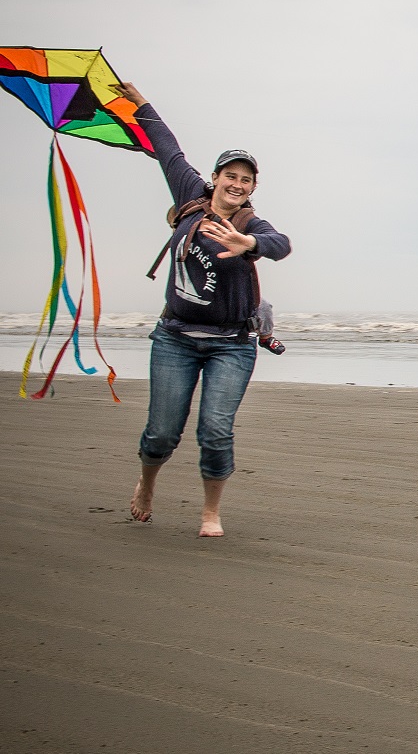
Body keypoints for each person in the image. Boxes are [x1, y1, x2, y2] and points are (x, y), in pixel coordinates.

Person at [115, 82, 292, 538]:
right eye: (229, 175)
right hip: (175, 338)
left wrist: (248, 243)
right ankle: (146, 486)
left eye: (246, 179)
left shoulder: (252, 224)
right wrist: (142, 105)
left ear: (253, 188)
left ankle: (211, 512)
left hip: (231, 345)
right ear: (215, 178)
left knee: (215, 430)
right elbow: (167, 150)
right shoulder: (191, 197)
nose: (236, 184)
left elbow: (281, 245)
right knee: (161, 433)